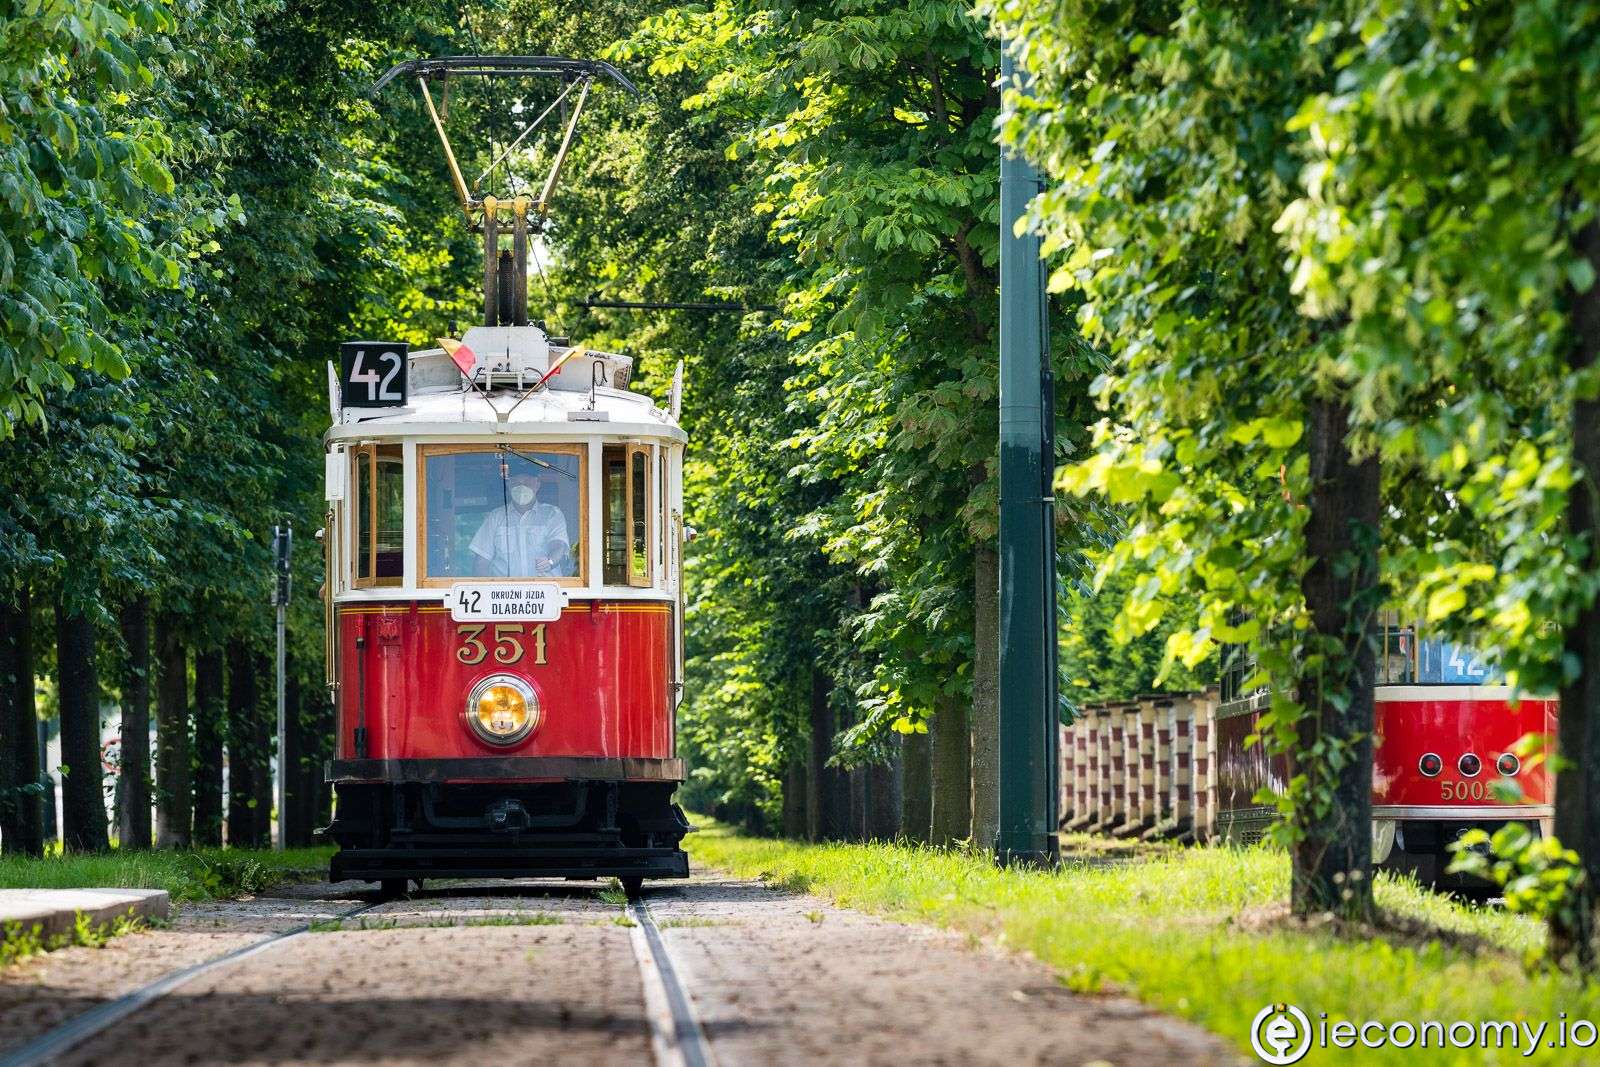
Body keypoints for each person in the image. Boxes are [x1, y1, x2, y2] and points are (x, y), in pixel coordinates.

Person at [469, 468, 574, 577]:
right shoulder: (495, 517)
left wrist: (550, 561)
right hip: (505, 588)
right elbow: (481, 562)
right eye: (516, 483)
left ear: (537, 484)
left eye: (527, 482)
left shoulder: (552, 514)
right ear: (508, 485)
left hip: (545, 587)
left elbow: (558, 546)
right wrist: (484, 586)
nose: (522, 487)